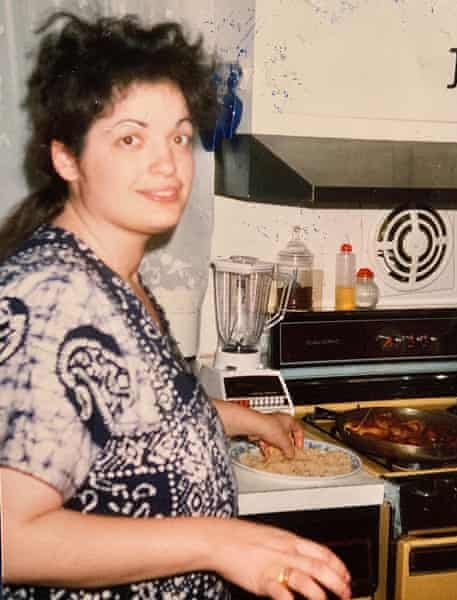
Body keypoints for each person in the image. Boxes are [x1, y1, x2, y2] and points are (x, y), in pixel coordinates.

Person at [0, 11, 352, 600]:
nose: (167, 164)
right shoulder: (50, 296)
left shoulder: (115, 279)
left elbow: (129, 413)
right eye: (131, 138)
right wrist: (217, 542)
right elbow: (10, 537)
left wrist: (247, 419)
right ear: (67, 158)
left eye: (180, 137)